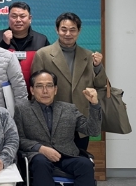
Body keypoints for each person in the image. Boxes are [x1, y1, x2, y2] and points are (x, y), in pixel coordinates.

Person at [14, 70, 108, 186]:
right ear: (32, 90)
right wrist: (40, 148)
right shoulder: (22, 109)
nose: (45, 91)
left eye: (49, 86)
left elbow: (93, 130)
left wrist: (94, 104)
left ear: (56, 89)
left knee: (85, 164)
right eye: (39, 86)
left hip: (67, 156)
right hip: (39, 158)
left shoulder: (69, 109)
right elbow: (18, 139)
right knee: (40, 161)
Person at [30, 12, 108, 150]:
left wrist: (98, 67)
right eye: (64, 29)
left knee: (80, 158)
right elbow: (35, 89)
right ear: (57, 30)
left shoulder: (88, 55)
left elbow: (100, 85)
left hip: (81, 120)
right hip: (52, 120)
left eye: (72, 30)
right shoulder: (43, 54)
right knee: (53, 160)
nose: (68, 34)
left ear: (79, 31)